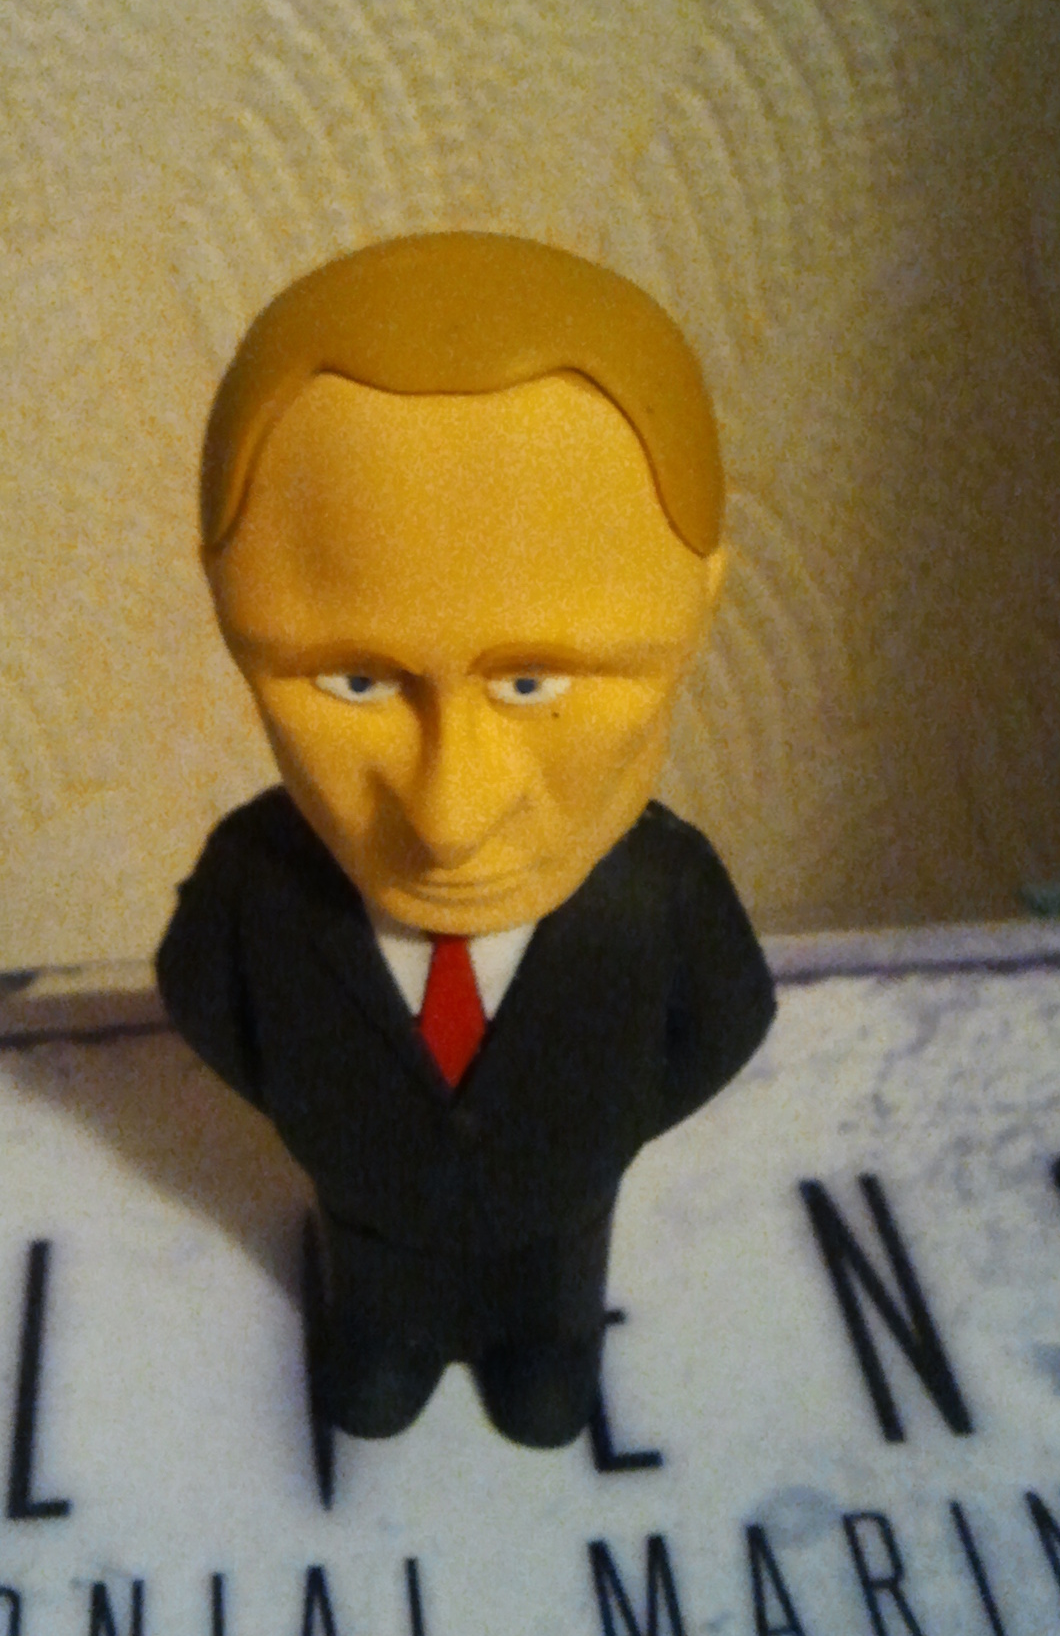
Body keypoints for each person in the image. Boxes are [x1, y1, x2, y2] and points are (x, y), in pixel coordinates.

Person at [157, 232, 774, 1456]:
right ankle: (388, 1339)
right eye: (353, 681)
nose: (447, 819)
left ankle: (543, 1346)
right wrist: (323, 1119)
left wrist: (590, 1137)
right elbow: (207, 1004)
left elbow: (720, 1026)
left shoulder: (660, 897)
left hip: (559, 1233)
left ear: (698, 609)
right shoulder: (256, 888)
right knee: (371, 1363)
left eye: (537, 684)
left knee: (548, 1376)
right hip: (368, 1235)